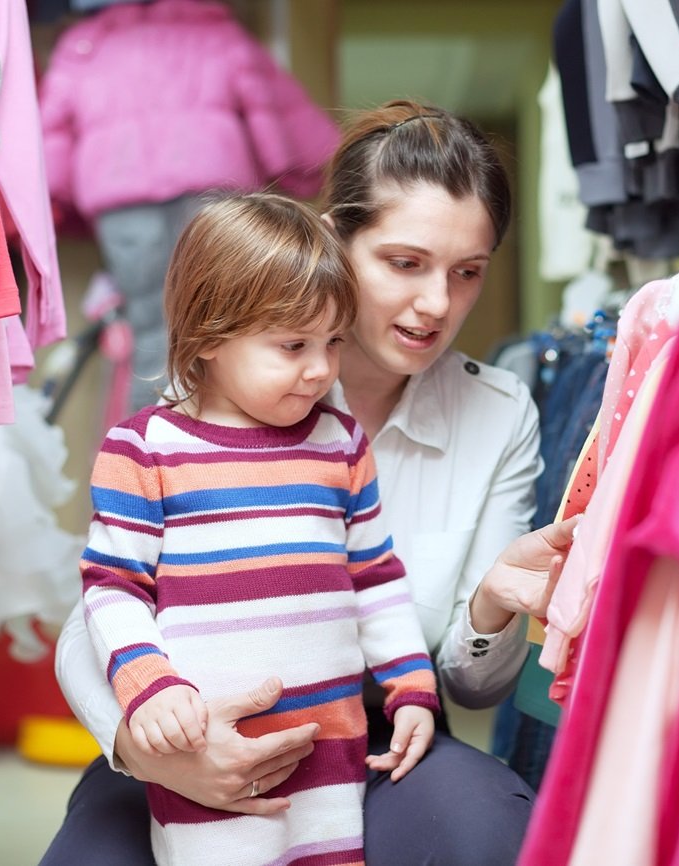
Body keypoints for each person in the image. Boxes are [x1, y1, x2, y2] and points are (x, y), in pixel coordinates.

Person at [43, 100, 576, 866]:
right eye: (405, 263)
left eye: (467, 273)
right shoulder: (208, 405)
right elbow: (98, 610)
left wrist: (491, 598)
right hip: (186, 726)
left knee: (486, 829)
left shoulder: (497, 412)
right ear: (332, 241)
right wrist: (147, 744)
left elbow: (470, 682)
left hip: (372, 736)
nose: (436, 305)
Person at [79, 193, 441, 866]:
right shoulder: (145, 449)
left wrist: (411, 687)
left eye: (334, 341)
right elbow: (113, 588)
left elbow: (376, 580)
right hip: (207, 751)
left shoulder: (341, 443)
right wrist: (148, 684)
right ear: (211, 335)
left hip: (333, 749)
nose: (321, 369)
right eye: (294, 345)